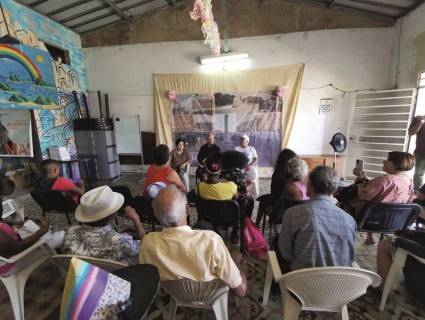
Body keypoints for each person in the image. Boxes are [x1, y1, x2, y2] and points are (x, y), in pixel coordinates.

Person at [140, 185, 247, 298]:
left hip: (176, 294)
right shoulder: (211, 241)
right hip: (210, 295)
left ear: (157, 216)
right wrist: (235, 262)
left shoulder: (148, 243)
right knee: (237, 256)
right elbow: (241, 291)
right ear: (187, 209)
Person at [278, 166, 356, 272]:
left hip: (300, 284)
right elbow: (349, 258)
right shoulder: (350, 220)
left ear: (310, 184)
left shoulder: (292, 214)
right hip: (339, 285)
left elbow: (286, 254)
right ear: (334, 188)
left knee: (277, 242)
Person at [62, 186, 145, 265]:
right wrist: (136, 221)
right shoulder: (121, 241)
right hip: (117, 275)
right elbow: (146, 248)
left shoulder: (70, 231)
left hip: (86, 274)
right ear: (112, 214)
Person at [348, 151, 415, 244]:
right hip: (394, 220)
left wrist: (360, 180)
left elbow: (363, 194)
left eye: (387, 160)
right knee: (378, 201)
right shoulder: (409, 182)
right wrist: (364, 178)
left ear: (396, 163)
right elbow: (378, 189)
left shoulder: (386, 179)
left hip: (371, 218)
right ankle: (370, 237)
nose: (383, 162)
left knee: (344, 203)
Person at [256, 148, 297, 226]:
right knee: (263, 199)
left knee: (262, 202)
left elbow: (274, 192)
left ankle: (257, 225)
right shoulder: (295, 175)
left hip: (280, 204)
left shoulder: (277, 174)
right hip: (292, 205)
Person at [408, 115, 425, 189]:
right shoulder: (418, 118)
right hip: (420, 152)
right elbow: (411, 132)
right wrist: (420, 122)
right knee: (418, 175)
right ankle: (417, 193)